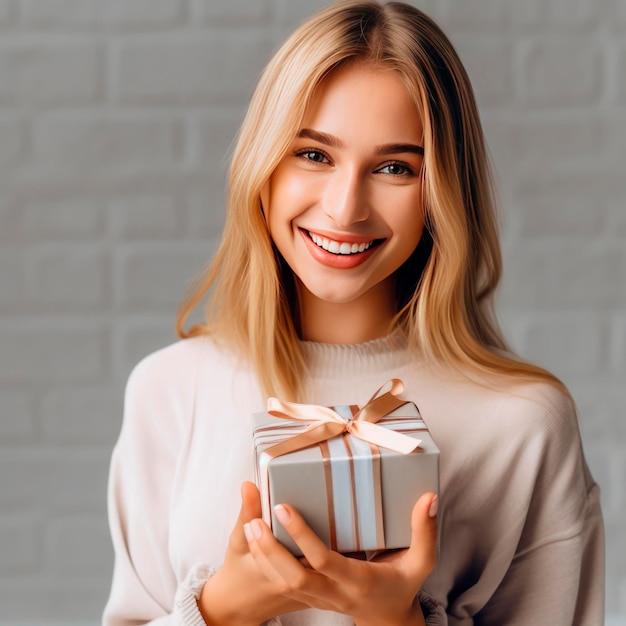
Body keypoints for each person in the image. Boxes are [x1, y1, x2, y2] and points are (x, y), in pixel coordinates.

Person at [103, 1, 605, 625]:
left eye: (395, 167)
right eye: (314, 155)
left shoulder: (523, 424)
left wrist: (396, 620)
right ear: (262, 165)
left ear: (442, 192)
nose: (345, 209)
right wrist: (224, 608)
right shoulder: (171, 388)